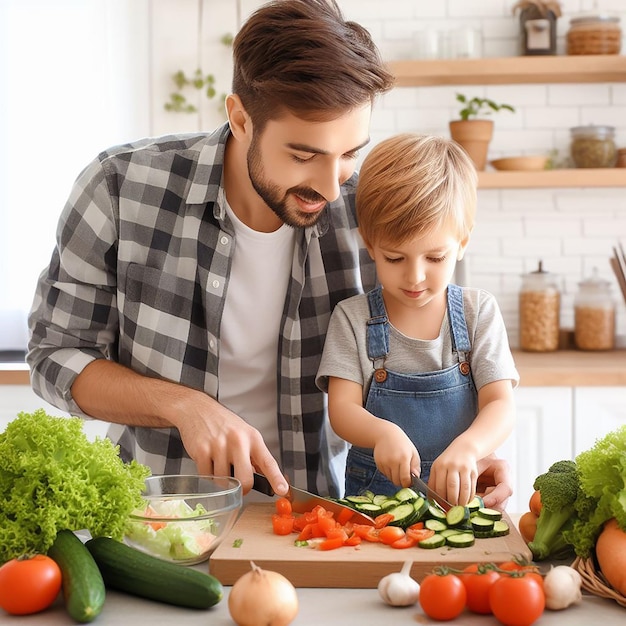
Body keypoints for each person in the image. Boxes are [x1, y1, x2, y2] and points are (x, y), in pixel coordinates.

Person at [27, 0, 512, 509]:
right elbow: (53, 354)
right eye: (304, 155)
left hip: (316, 518)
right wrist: (182, 405)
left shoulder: (368, 212)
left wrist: (461, 447)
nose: (331, 187)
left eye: (349, 154)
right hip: (160, 518)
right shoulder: (121, 188)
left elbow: (425, 344)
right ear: (240, 118)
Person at [316, 133, 519, 506]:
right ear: (370, 244)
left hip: (459, 498)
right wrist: (380, 433)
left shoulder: (478, 313)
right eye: (395, 258)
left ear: (462, 243)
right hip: (375, 506)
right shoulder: (353, 318)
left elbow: (500, 404)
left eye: (435, 258)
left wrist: (470, 447)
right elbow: (342, 410)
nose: (415, 277)